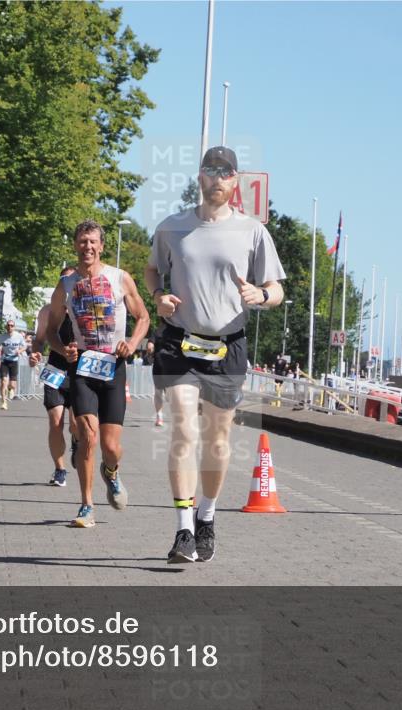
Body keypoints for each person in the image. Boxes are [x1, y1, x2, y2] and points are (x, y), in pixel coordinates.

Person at [145, 146, 286, 563]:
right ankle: (184, 529)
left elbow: (277, 289)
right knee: (185, 431)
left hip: (227, 344)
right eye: (210, 170)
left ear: (235, 181)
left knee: (217, 441)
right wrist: (158, 297)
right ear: (199, 177)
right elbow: (154, 269)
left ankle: (207, 517)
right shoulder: (172, 228)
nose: (217, 179)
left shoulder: (253, 231)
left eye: (225, 173)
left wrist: (259, 294)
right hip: (180, 340)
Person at [47, 219, 150, 528]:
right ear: (76, 245)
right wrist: (64, 349)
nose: (87, 246)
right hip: (82, 368)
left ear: (102, 246)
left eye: (93, 241)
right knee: (88, 437)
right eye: (82, 241)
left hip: (113, 367)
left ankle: (112, 471)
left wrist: (131, 343)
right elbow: (51, 329)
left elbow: (143, 317)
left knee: (111, 447)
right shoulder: (65, 285)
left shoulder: (120, 278)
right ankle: (86, 506)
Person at [30, 267, 80, 487]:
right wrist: (35, 352)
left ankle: (77, 442)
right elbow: (39, 339)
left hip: (79, 372)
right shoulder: (47, 311)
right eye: (64, 281)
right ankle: (60, 469)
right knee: (56, 422)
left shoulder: (85, 310)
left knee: (77, 425)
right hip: (55, 371)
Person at [0, 319, 26, 409]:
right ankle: (4, 402)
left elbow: (25, 346)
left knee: (12, 385)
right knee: (3, 381)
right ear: (6, 326)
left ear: (14, 327)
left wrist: (19, 351)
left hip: (14, 361)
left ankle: (10, 389)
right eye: (8, 325)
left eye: (12, 325)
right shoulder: (2, 337)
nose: (10, 327)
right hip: (5, 360)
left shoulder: (19, 336)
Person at [143, 338, 166, 427]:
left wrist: (150, 350)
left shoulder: (158, 331)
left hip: (162, 366)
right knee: (160, 392)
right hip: (164, 366)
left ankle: (159, 416)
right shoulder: (183, 328)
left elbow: (150, 347)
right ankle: (160, 416)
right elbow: (150, 346)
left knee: (159, 393)